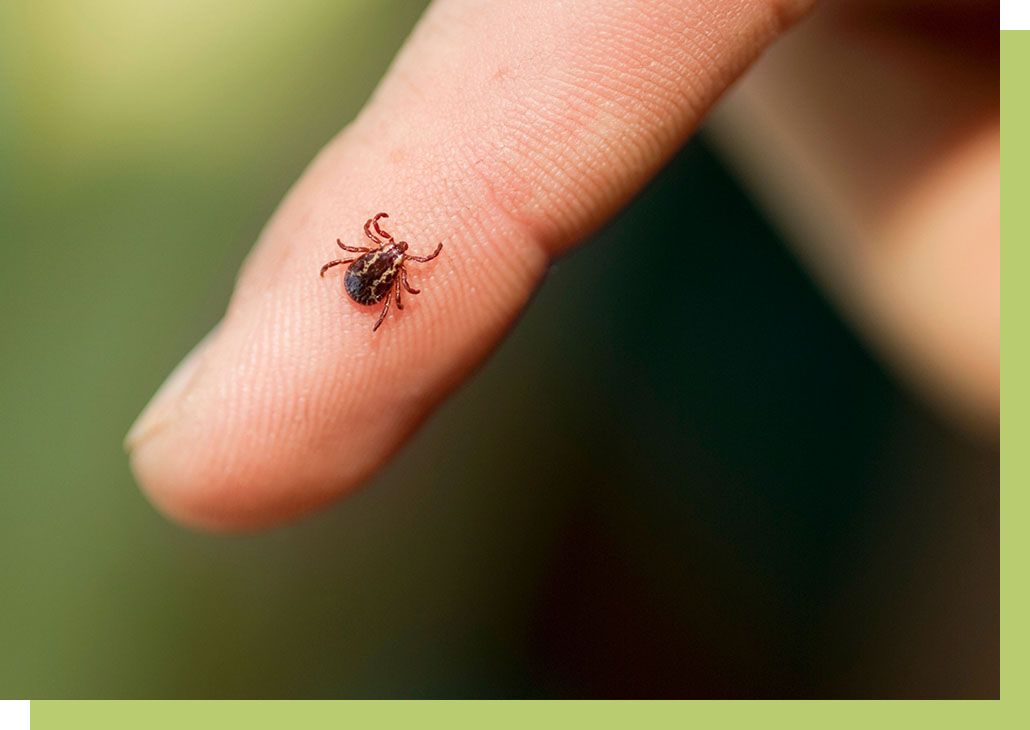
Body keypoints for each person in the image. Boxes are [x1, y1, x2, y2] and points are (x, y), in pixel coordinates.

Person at [125, 0, 998, 530]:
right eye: (382, 257)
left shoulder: (378, 263)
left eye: (381, 258)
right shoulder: (390, 267)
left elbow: (369, 271)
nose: (383, 261)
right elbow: (383, 275)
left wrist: (376, 280)